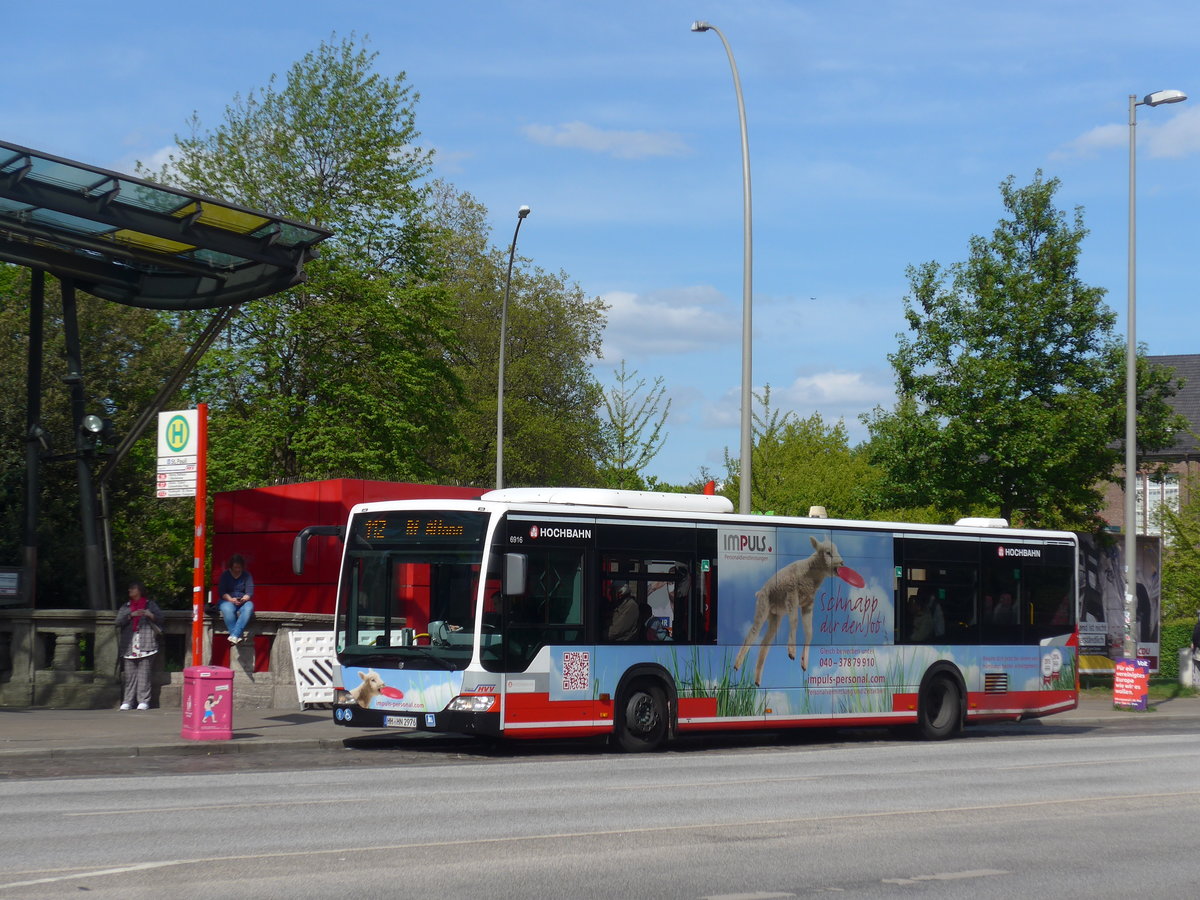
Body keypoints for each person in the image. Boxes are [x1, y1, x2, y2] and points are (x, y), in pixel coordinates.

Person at [115, 581, 163, 710]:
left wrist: (149, 614)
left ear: (140, 590)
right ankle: (128, 701)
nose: (130, 590)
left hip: (147, 643)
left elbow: (161, 618)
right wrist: (131, 615)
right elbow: (118, 621)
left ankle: (143, 701)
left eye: (133, 588)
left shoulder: (150, 604)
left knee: (144, 674)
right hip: (129, 644)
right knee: (129, 675)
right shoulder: (126, 606)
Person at [218, 554, 255, 645]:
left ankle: (235, 635)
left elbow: (249, 592)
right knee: (228, 609)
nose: (238, 570)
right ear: (231, 566)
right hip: (228, 600)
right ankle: (236, 635)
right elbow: (222, 592)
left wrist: (244, 598)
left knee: (249, 607)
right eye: (235, 567)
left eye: (239, 567)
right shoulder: (225, 575)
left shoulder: (247, 575)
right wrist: (231, 599)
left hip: (242, 601)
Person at [1191, 611, 1200, 686]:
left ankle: (1197, 685)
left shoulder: (1198, 625)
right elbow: (1195, 637)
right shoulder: (1197, 625)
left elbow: (1195, 637)